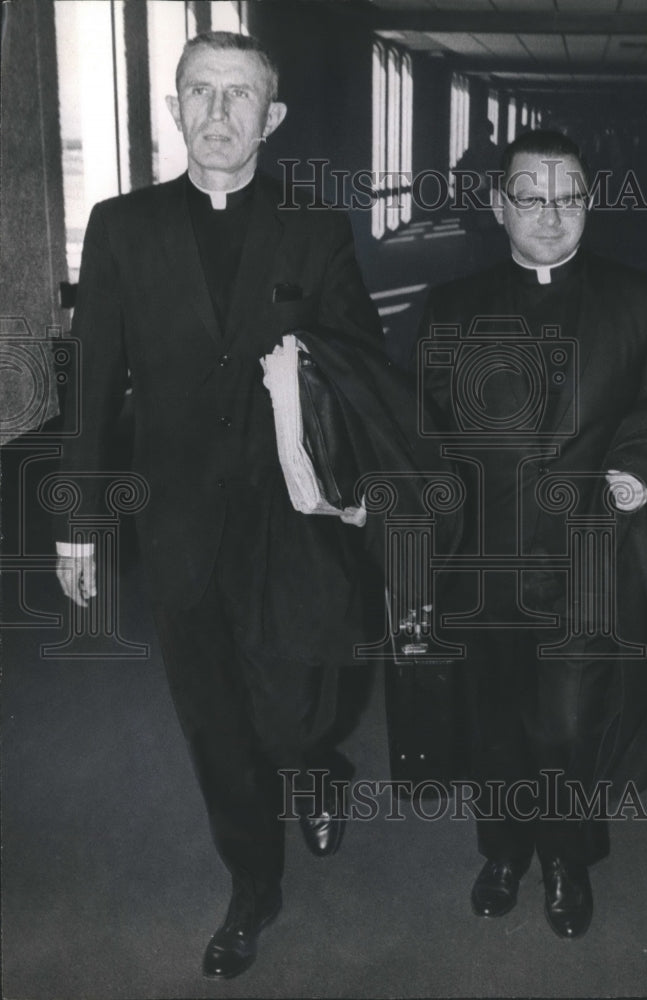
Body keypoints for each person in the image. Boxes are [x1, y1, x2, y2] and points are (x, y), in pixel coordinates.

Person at [54, 30, 385, 981]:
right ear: (173, 109)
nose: (218, 113)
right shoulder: (122, 226)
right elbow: (92, 384)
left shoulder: (314, 230)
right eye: (199, 92)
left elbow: (363, 364)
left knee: (290, 714)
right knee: (214, 722)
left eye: (240, 96)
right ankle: (252, 887)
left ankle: (319, 764)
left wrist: (309, 379)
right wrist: (78, 520)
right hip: (180, 522)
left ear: (272, 119)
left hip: (292, 519)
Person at [417, 130, 647, 940]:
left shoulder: (643, 300)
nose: (551, 214)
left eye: (568, 196)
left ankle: (567, 858)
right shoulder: (451, 308)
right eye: (531, 197)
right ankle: (503, 848)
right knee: (498, 722)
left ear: (590, 205)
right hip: (485, 560)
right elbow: (427, 441)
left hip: (590, 556)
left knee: (571, 727)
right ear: (499, 205)